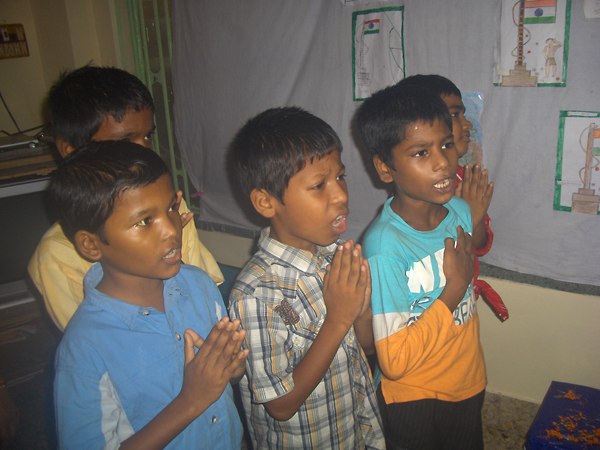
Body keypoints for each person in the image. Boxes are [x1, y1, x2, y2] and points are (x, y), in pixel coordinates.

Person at [50, 140, 247, 449]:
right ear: (91, 245)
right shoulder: (85, 347)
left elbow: (226, 377)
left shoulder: (199, 285)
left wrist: (232, 371)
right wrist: (191, 400)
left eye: (171, 208)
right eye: (144, 222)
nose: (171, 229)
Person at [228, 107, 385, 449]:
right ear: (266, 202)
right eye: (318, 185)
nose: (341, 195)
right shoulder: (257, 295)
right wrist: (338, 319)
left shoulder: (336, 256)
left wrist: (360, 313)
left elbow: (366, 348)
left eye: (340, 177)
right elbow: (281, 405)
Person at [27, 65, 224, 331]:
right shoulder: (56, 256)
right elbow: (96, 343)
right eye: (125, 141)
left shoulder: (170, 211)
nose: (145, 151)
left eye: (147, 136)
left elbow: (205, 299)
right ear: (71, 151)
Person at [355, 84, 486, 450]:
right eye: (421, 153)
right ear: (385, 168)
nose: (442, 162)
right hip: (413, 396)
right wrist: (454, 289)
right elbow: (394, 361)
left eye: (446, 145)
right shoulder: (385, 247)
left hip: (466, 379)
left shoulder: (459, 211)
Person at [398, 74, 507, 321]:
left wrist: (473, 220)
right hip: (427, 308)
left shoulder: (463, 178)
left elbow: (479, 245)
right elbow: (429, 255)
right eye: (455, 115)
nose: (468, 125)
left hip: (463, 305)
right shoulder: (420, 185)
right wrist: (466, 220)